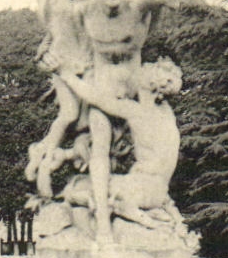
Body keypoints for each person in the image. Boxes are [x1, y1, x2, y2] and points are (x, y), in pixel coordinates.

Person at [73, 0, 189, 241]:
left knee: (148, 141)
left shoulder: (134, 8)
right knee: (100, 143)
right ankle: (102, 224)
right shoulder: (84, 11)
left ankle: (146, 203)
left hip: (134, 84)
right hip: (103, 82)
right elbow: (67, 35)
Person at [57, 58, 187, 232]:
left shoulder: (136, 111)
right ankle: (150, 215)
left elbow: (95, 98)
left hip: (140, 189)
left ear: (150, 84)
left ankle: (117, 217)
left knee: (79, 186)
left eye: (143, 71)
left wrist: (65, 74)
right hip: (159, 192)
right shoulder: (166, 113)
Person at [25, 0, 95, 199]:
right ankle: (43, 157)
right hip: (63, 63)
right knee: (71, 114)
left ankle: (44, 155)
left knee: (82, 120)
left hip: (83, 63)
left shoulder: (73, 4)